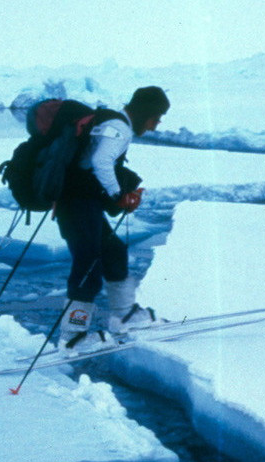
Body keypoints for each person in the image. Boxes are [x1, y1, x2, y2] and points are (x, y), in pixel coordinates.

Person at [54, 86, 170, 352]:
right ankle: (72, 338)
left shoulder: (109, 122)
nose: (154, 126)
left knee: (114, 251)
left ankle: (124, 315)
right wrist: (119, 195)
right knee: (88, 269)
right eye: (156, 118)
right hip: (76, 205)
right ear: (145, 112)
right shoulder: (119, 129)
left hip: (79, 203)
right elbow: (101, 161)